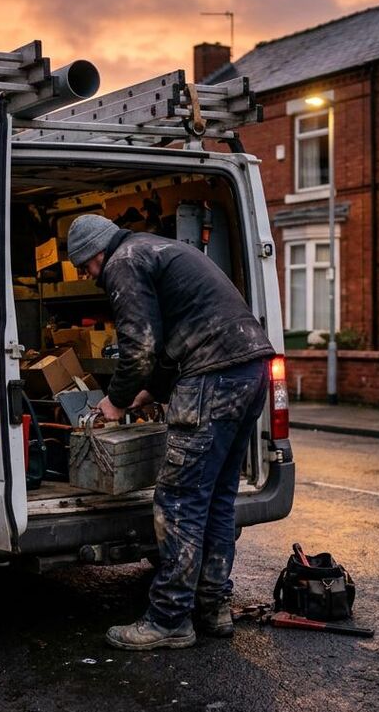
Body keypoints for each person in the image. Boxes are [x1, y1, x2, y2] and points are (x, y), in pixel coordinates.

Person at [65, 213, 275, 650]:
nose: (86, 274)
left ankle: (168, 619)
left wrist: (117, 400)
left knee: (179, 500)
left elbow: (139, 346)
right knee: (216, 497)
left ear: (97, 252)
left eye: (84, 265)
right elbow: (165, 344)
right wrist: (151, 392)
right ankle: (212, 606)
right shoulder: (155, 249)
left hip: (213, 378)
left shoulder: (124, 261)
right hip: (251, 370)